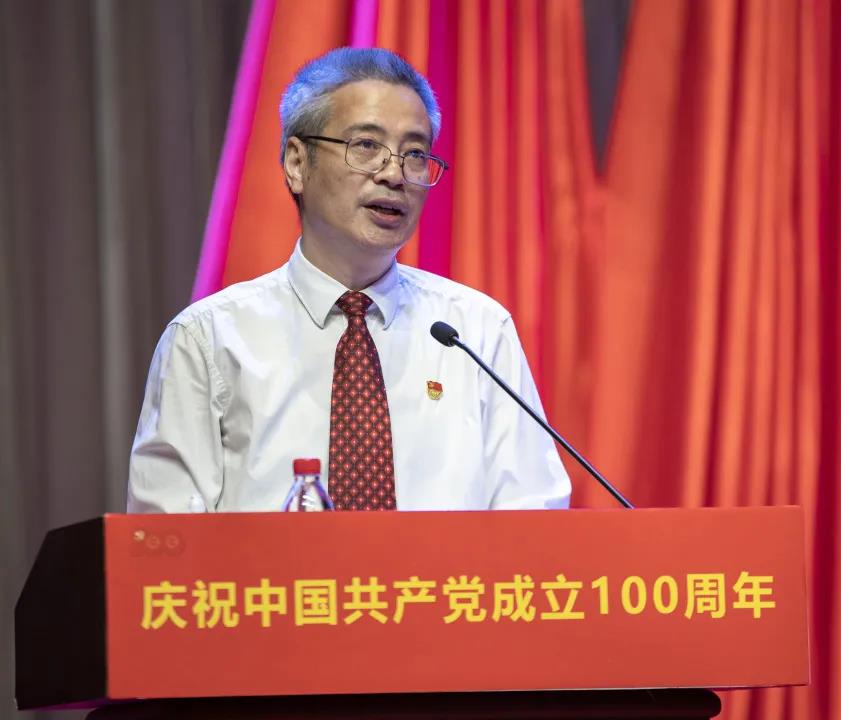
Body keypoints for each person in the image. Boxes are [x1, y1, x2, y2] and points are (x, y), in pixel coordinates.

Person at [127, 47, 570, 513]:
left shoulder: (476, 332)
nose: (395, 174)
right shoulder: (210, 339)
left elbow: (533, 517)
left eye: (415, 154)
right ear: (297, 163)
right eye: (366, 146)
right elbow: (165, 536)